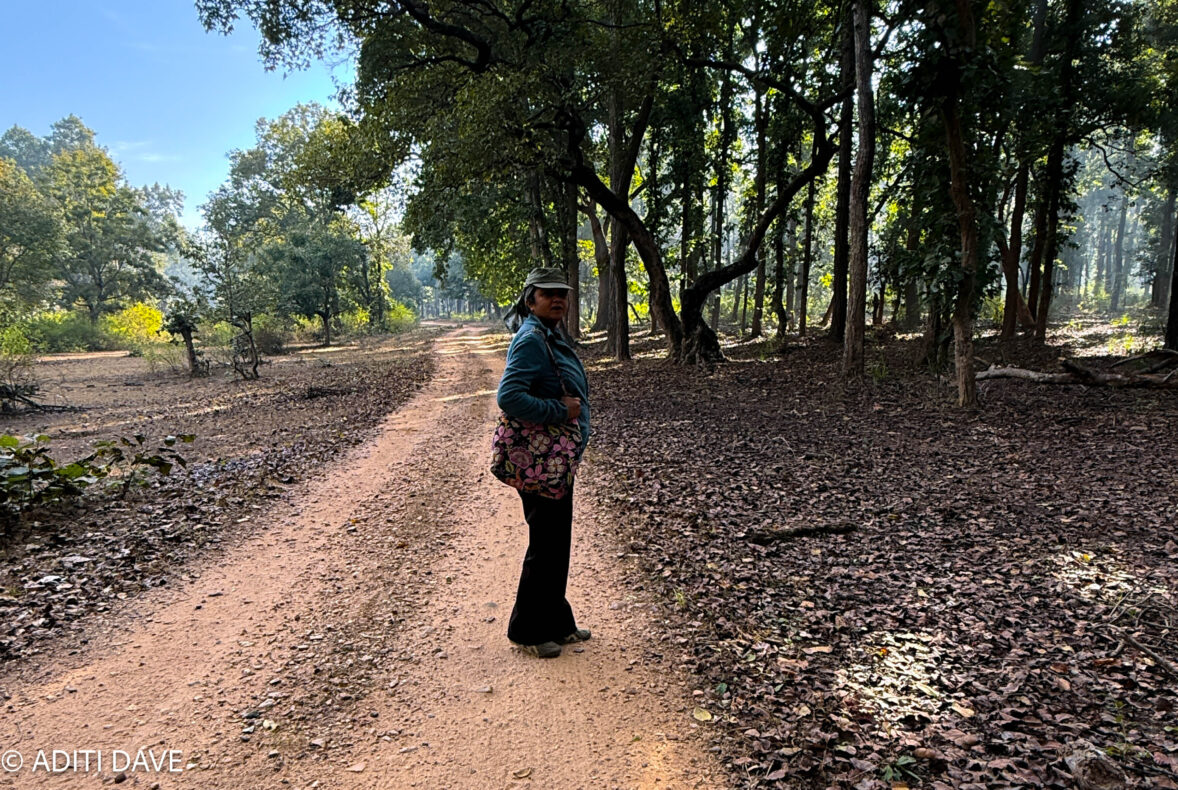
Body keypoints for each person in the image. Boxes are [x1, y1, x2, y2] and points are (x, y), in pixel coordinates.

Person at [496, 267, 592, 658]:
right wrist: (559, 410)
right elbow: (509, 397)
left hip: (556, 461)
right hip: (541, 460)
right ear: (530, 298)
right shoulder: (531, 339)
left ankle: (558, 621)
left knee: (557, 543)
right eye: (548, 293)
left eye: (563, 294)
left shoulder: (549, 334)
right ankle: (528, 630)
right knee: (545, 543)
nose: (558, 300)